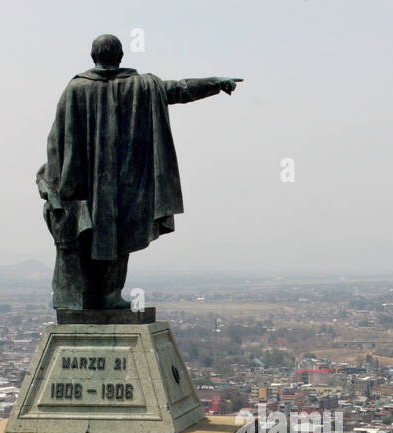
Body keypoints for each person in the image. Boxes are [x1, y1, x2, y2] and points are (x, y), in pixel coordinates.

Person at [37, 34, 241, 311]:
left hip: (84, 185)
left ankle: (94, 295)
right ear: (120, 56)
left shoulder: (76, 88)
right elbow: (177, 90)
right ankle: (106, 294)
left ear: (93, 57)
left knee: (90, 237)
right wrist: (215, 83)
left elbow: (56, 140)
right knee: (118, 239)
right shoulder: (141, 86)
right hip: (125, 183)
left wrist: (54, 179)